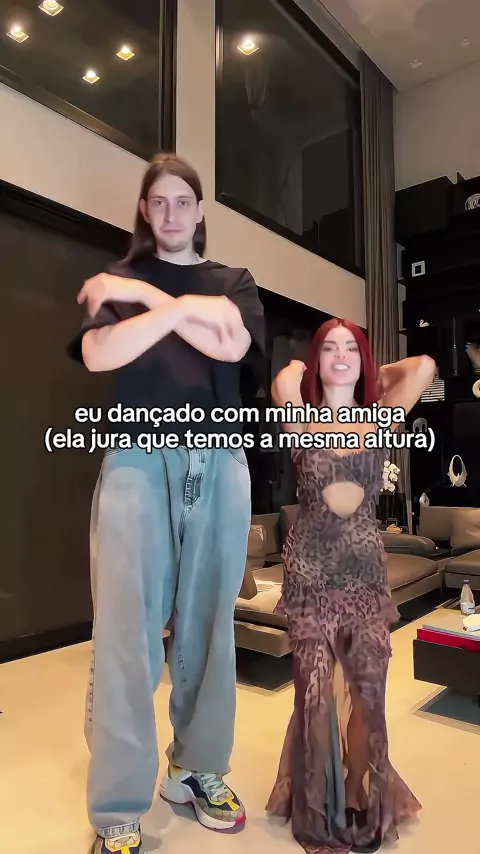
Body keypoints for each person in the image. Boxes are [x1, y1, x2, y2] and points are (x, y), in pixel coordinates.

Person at [67, 153, 265, 854]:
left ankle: (196, 768)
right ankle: (118, 805)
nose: (172, 213)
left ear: (200, 210)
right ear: (145, 211)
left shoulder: (232, 282)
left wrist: (149, 302)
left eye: (184, 201)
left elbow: (234, 344)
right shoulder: (121, 276)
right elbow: (100, 354)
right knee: (127, 634)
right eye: (160, 202)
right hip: (137, 459)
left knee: (210, 626)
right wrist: (181, 312)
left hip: (219, 460)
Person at [266, 318, 434, 854]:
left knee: (368, 695)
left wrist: (368, 370)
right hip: (309, 578)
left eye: (350, 349)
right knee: (315, 696)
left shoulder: (381, 417)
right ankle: (317, 810)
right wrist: (317, 364)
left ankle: (360, 794)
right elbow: (285, 376)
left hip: (363, 578)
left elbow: (423, 366)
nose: (340, 354)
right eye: (329, 349)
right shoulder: (300, 415)